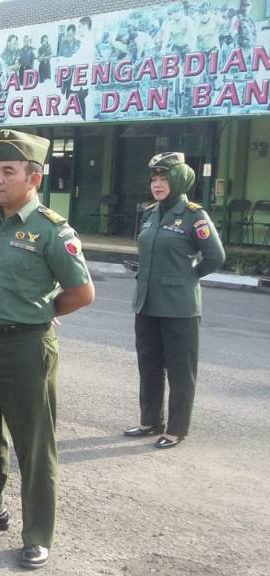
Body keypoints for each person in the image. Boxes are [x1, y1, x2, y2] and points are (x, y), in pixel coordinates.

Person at [0, 129, 95, 571]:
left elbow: (81, 292)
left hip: (27, 345)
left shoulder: (51, 229)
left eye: (8, 171)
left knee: (33, 443)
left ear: (34, 176)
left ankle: (37, 535)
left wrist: (40, 314)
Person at [125, 152, 225, 449]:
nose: (157, 184)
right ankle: (150, 420)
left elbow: (215, 257)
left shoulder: (195, 215)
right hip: (146, 303)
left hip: (179, 306)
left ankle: (176, 428)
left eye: (164, 179)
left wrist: (189, 277)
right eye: (154, 179)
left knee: (180, 370)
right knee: (149, 365)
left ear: (178, 181)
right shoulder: (151, 213)